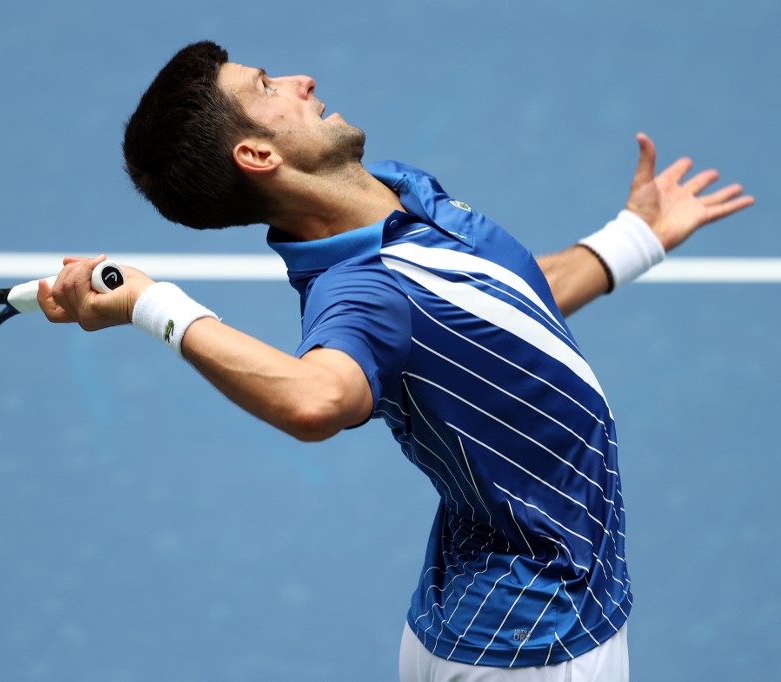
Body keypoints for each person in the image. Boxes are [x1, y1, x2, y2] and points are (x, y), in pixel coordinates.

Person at [37, 41, 753, 680]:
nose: (302, 80)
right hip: (532, 637)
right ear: (257, 156)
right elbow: (315, 400)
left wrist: (633, 239)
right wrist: (152, 303)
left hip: (510, 610)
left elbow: (500, 305)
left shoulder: (402, 193)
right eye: (267, 86)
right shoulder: (363, 292)